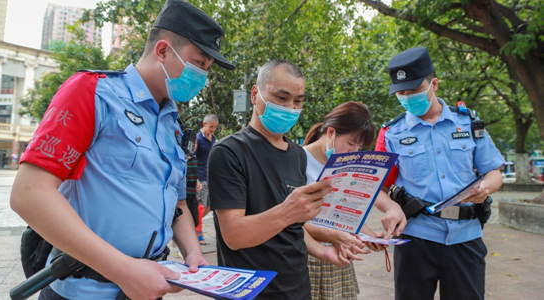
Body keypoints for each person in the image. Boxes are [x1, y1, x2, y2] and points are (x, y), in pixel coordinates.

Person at [9, 1, 235, 299]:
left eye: (207, 69)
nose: (203, 76)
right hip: (83, 290)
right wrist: (124, 271)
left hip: (146, 289)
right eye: (199, 63)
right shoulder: (92, 93)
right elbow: (29, 194)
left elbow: (177, 203)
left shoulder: (173, 124)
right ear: (163, 50)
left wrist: (193, 254)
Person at [207, 59, 352, 300]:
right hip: (251, 291)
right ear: (255, 94)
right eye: (281, 98)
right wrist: (288, 211)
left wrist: (323, 251)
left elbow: (293, 227)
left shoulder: (297, 155)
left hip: (297, 288)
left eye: (298, 101)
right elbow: (233, 235)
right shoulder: (228, 152)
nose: (290, 108)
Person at [375, 46, 504, 300]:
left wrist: (486, 188)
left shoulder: (469, 124)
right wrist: (391, 208)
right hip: (415, 240)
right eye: (401, 93)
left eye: (414, 90)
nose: (408, 97)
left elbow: (494, 172)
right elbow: (377, 189)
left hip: (465, 238)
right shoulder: (391, 134)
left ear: (434, 84)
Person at [302, 101, 388, 300]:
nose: (354, 152)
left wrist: (371, 237)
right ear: (331, 132)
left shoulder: (347, 165)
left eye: (359, 147)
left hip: (339, 257)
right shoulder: (299, 159)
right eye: (351, 143)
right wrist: (332, 235)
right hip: (310, 257)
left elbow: (348, 211)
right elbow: (293, 221)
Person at [194, 114, 218, 245]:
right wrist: (195, 178)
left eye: (215, 127)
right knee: (201, 206)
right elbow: (193, 159)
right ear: (204, 124)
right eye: (211, 126)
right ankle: (198, 232)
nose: (213, 129)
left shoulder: (213, 138)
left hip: (210, 177)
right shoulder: (198, 139)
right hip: (201, 177)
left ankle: (193, 225)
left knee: (210, 205)